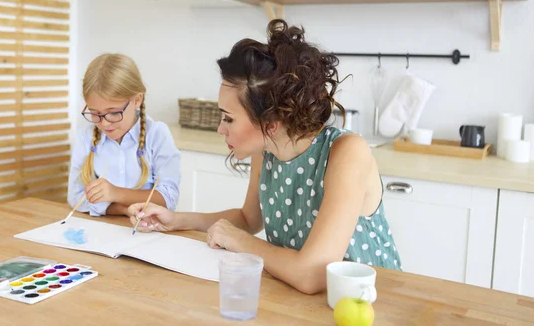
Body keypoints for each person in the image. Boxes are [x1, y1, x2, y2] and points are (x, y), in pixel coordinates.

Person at [128, 21, 401, 294]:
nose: (220, 128)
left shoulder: (346, 152)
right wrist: (175, 220)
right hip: (301, 298)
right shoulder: (267, 149)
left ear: (270, 123)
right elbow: (249, 220)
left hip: (366, 304)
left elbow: (312, 274)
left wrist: (239, 241)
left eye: (228, 118)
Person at [67, 53, 181, 216]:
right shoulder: (86, 137)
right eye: (95, 113)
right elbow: (75, 196)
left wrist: (116, 193)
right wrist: (122, 210)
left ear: (137, 100)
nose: (104, 123)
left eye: (113, 112)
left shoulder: (157, 135)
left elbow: (169, 197)